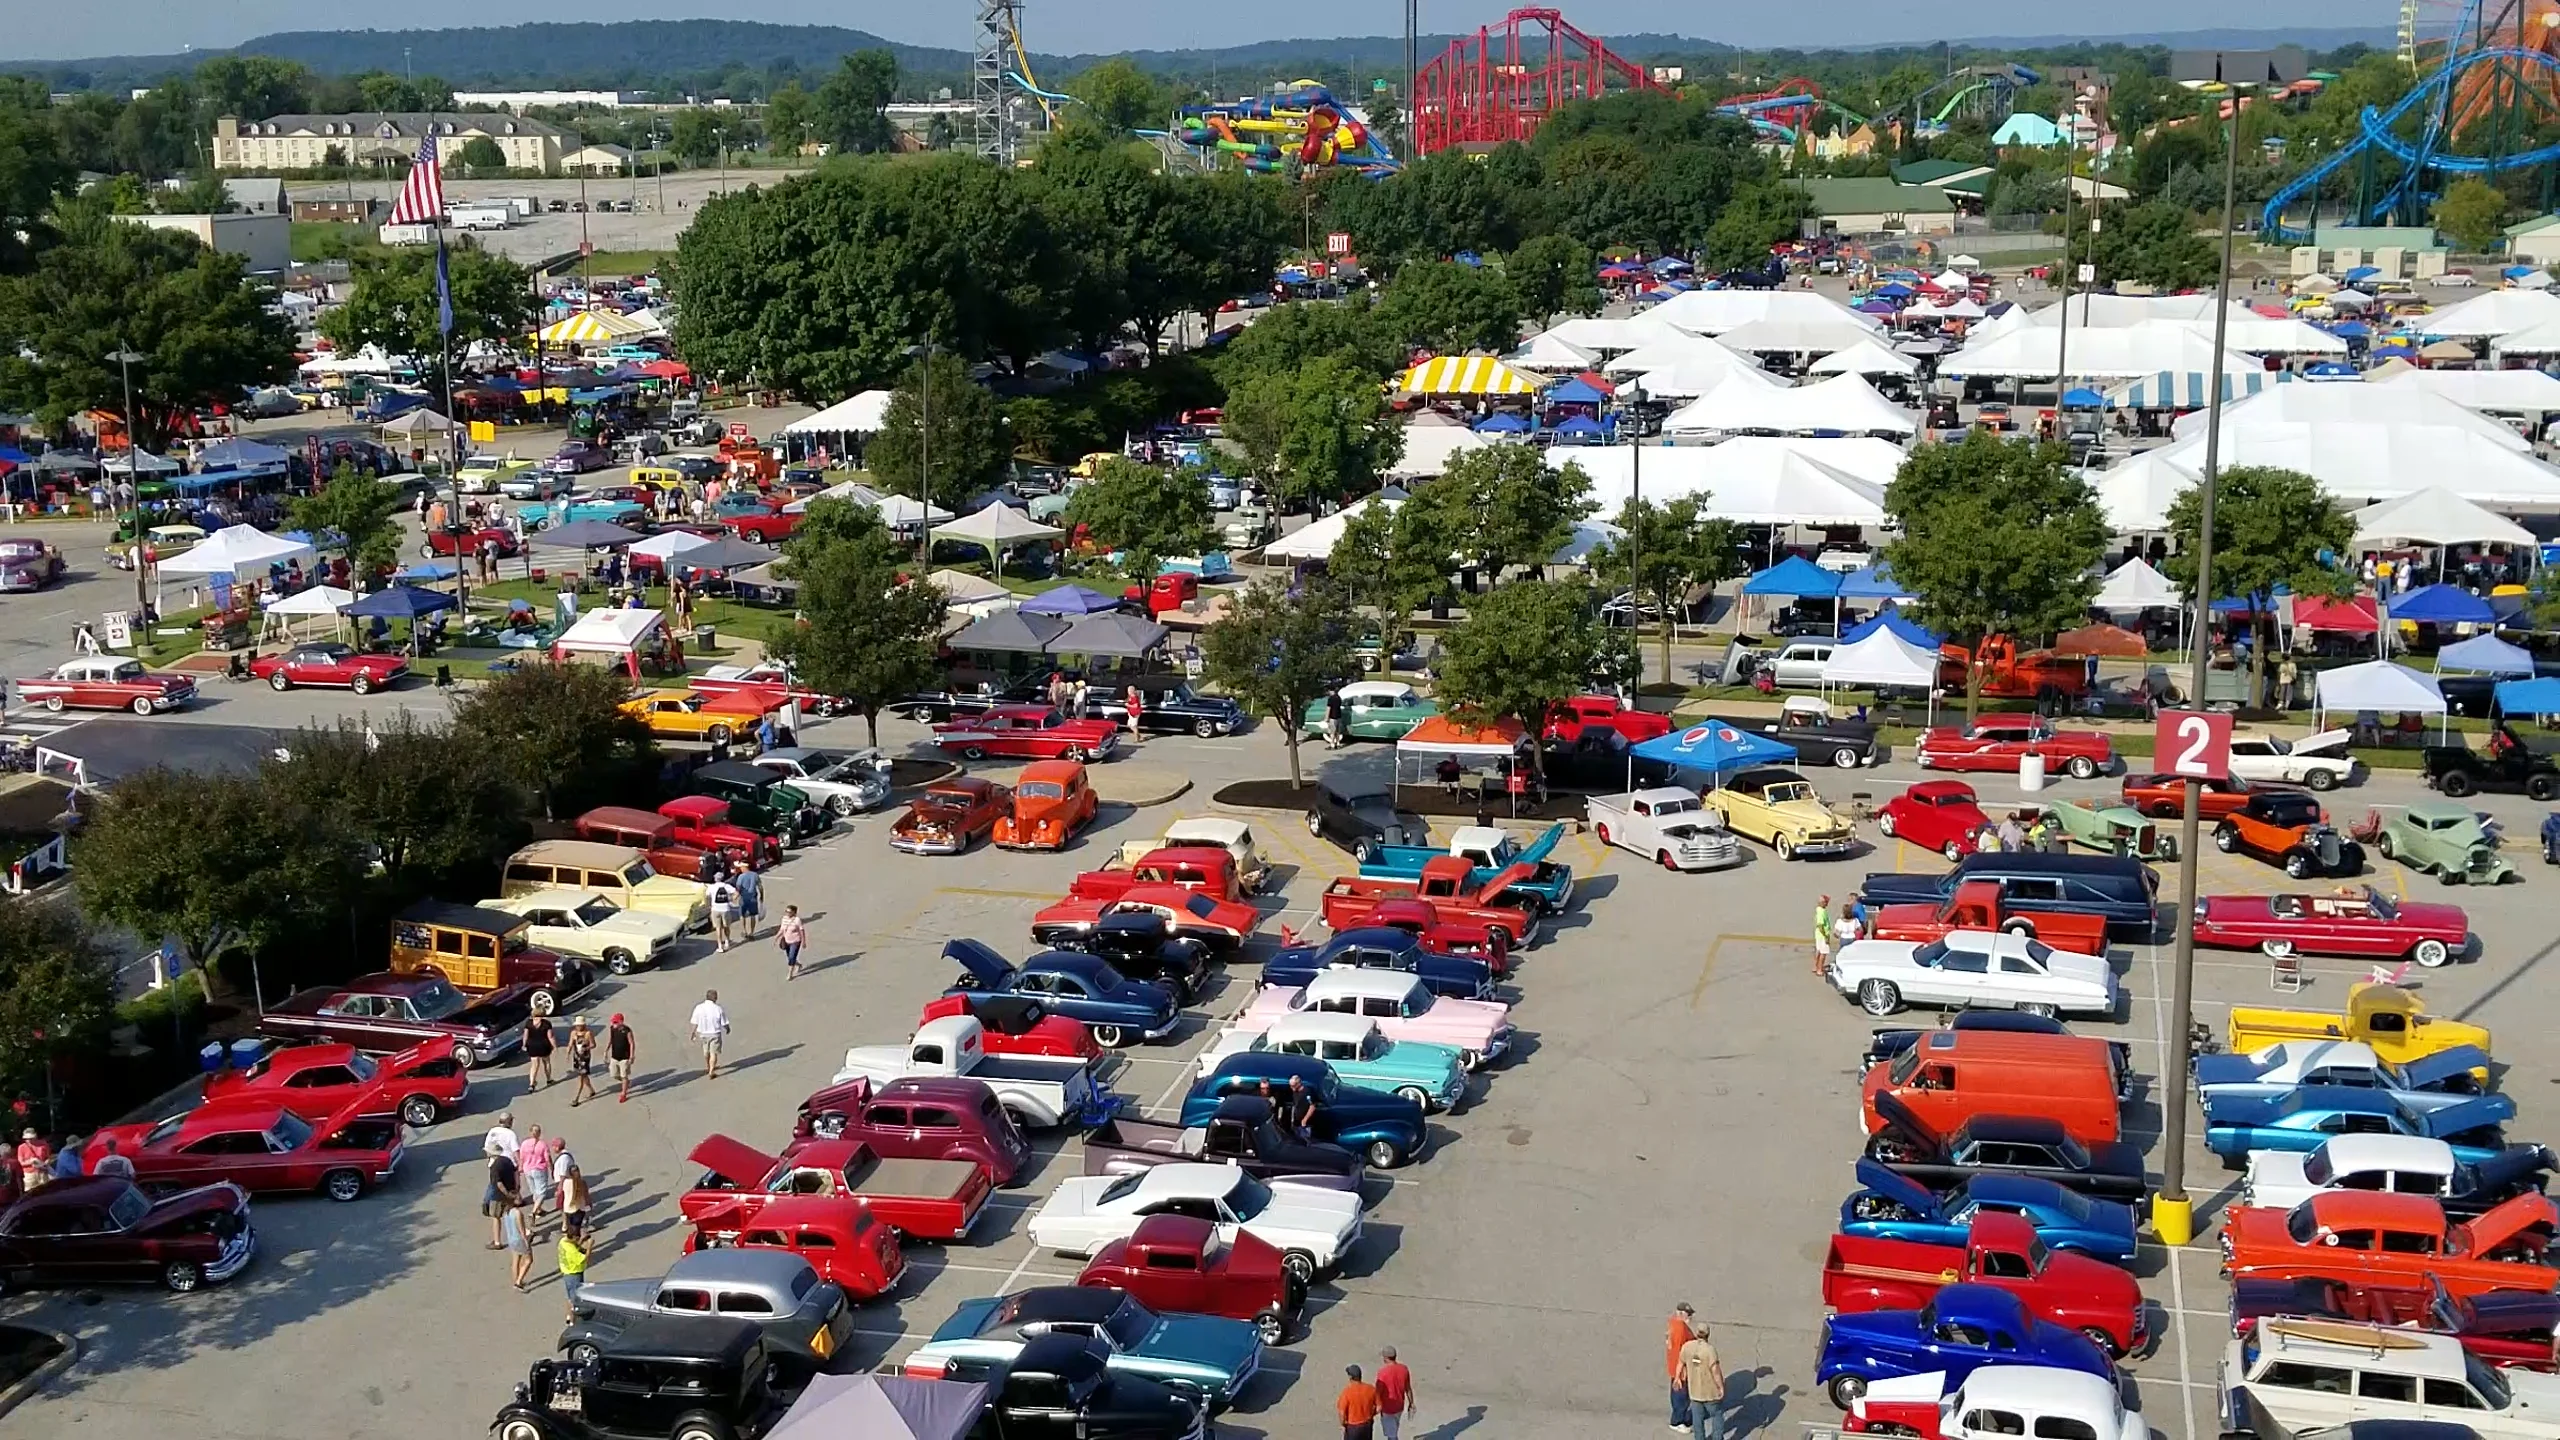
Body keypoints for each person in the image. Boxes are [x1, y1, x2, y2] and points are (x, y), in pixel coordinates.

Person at [1679, 1320, 1727, 1440]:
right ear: (1708, 1334)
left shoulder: (1687, 1347)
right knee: (1717, 1415)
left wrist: (1677, 1378)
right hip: (1710, 1393)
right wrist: (1721, 1387)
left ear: (1696, 1333)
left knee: (1697, 1420)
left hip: (1695, 1392)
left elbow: (1680, 1362)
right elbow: (1715, 1371)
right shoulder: (1709, 1350)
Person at [484, 1132, 522, 1252]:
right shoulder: (507, 1160)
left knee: (496, 1217)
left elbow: (498, 1183)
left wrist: (506, 1193)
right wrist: (516, 1188)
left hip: (498, 1195)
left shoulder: (494, 1166)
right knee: (511, 1215)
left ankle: (497, 1241)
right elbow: (516, 1172)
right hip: (511, 1190)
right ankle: (521, 1234)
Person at [1666, 1302, 1697, 1430]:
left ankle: (1682, 1417)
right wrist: (1680, 1373)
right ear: (1680, 1313)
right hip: (1681, 1368)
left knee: (1680, 1394)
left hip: (1676, 1366)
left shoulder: (1674, 1323)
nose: (1690, 1317)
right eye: (1687, 1314)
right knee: (1681, 1395)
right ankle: (1677, 1422)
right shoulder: (1680, 1328)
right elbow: (1679, 1351)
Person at [517, 1125, 555, 1227]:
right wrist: (552, 1169)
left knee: (534, 1191)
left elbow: (521, 1157)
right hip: (539, 1169)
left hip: (527, 1169)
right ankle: (533, 1212)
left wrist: (521, 1167)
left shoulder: (525, 1143)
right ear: (539, 1133)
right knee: (542, 1192)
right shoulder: (543, 1145)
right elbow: (547, 1159)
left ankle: (539, 1209)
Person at [1374, 1347, 1414, 1440]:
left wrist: (1376, 1406)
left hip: (1387, 1408)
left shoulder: (1383, 1372)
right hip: (1399, 1406)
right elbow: (1408, 1388)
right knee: (1393, 1429)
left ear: (1386, 1358)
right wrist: (1411, 1402)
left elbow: (1378, 1392)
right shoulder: (1404, 1369)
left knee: (1392, 1435)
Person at [557, 1217, 592, 1322]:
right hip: (574, 1273)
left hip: (566, 1272)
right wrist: (590, 1247)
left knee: (570, 1297)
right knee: (575, 1299)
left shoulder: (563, 1242)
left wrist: (581, 1240)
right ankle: (573, 1320)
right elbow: (584, 1258)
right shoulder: (571, 1250)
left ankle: (569, 1316)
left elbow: (575, 1245)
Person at [690, 989, 730, 1079]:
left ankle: (709, 1066)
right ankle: (711, 1071)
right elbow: (724, 1022)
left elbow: (694, 1022)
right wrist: (727, 1028)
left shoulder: (699, 1007)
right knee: (713, 1053)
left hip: (703, 1033)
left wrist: (693, 1032)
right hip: (715, 1033)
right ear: (715, 998)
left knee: (706, 1051)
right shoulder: (718, 1008)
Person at [1336, 1364, 1381, 1440]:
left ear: (1350, 1377)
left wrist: (1344, 1423)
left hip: (1353, 1427)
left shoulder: (1346, 1392)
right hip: (1367, 1424)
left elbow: (1342, 1414)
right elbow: (1379, 1407)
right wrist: (1371, 1414)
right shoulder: (1371, 1389)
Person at [566, 1017, 598, 1106]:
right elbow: (570, 1043)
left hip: (585, 1058)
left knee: (581, 1076)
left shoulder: (588, 1033)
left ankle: (576, 1098)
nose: (578, 1027)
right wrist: (568, 1052)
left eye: (580, 1025)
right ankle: (591, 1090)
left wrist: (586, 1048)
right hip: (576, 1057)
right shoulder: (573, 1033)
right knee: (583, 1076)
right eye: (577, 1025)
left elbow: (593, 1044)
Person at [522, 1011, 556, 1092]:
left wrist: (524, 1044)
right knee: (546, 1062)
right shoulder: (546, 1023)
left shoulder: (529, 1023)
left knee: (534, 1065)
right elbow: (550, 1036)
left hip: (532, 1046)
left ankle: (532, 1084)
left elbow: (525, 1035)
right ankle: (549, 1079)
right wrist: (554, 1046)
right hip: (543, 1045)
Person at [607, 1013, 637, 1102]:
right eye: (613, 1022)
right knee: (614, 1074)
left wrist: (631, 1056)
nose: (614, 1024)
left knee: (624, 1075)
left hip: (624, 1057)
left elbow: (631, 1043)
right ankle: (626, 1082)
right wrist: (606, 1049)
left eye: (615, 1022)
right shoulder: (612, 1029)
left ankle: (623, 1094)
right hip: (614, 1056)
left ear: (621, 1022)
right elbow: (611, 1039)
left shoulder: (627, 1031)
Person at [708, 875, 740, 950]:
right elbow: (737, 893)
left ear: (715, 879)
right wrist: (731, 899)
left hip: (715, 909)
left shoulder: (711, 887)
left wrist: (709, 905)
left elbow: (707, 896)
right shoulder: (727, 886)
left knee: (718, 928)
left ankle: (720, 945)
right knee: (726, 926)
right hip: (725, 909)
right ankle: (727, 942)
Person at [776, 903, 808, 980]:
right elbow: (782, 929)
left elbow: (802, 930)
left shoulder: (797, 920)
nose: (787, 913)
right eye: (786, 911)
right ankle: (798, 965)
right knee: (789, 957)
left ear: (794, 912)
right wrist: (777, 937)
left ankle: (790, 974)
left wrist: (803, 941)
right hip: (787, 940)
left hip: (795, 941)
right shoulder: (784, 918)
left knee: (792, 957)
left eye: (789, 912)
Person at [733, 864, 763, 942]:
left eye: (741, 867)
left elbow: (739, 888)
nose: (740, 869)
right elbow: (760, 886)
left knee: (742, 915)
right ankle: (752, 933)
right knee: (752, 915)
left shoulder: (741, 877)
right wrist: (762, 896)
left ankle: (744, 931)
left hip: (743, 898)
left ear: (744, 867)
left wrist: (735, 897)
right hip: (753, 897)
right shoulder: (755, 875)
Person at [1286, 1075, 1316, 1140]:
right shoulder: (1295, 1092)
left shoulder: (1307, 1092)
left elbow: (1312, 1106)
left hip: (1304, 1125)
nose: (1291, 1088)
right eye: (1290, 1086)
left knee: (1305, 1140)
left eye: (1293, 1086)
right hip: (1296, 1123)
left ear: (1299, 1084)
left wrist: (1304, 1120)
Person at [1811, 896, 1833, 979]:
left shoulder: (1819, 910)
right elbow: (1820, 925)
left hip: (1818, 935)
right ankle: (1819, 969)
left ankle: (1816, 966)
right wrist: (1826, 936)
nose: (1827, 904)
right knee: (1823, 953)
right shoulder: (1822, 912)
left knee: (1819, 951)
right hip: (1822, 935)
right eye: (1826, 902)